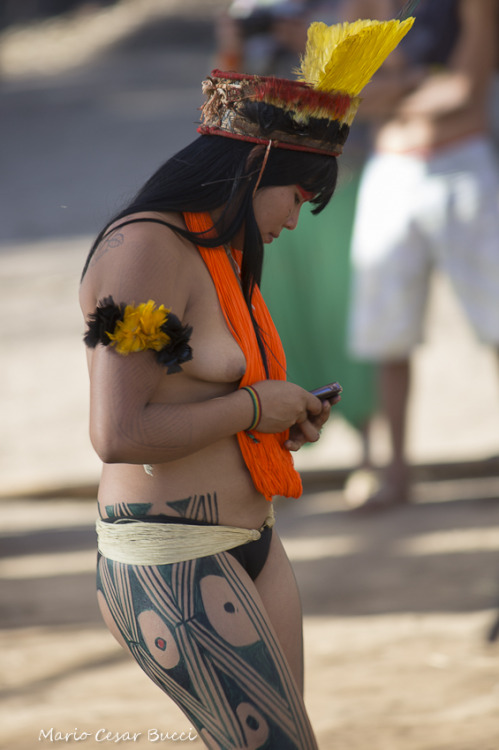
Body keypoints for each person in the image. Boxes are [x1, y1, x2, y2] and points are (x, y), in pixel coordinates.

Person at [79, 14, 414, 748]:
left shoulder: (221, 252)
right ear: (258, 171)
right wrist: (254, 405)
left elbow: (208, 401)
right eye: (297, 198)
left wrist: (274, 415)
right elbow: (118, 434)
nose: (297, 220)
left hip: (251, 540)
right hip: (171, 558)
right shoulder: (145, 248)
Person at [343, 0, 499, 510]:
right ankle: (396, 469)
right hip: (392, 168)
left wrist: (390, 91)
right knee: (385, 333)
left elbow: (465, 89)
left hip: (462, 163)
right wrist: (417, 86)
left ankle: (396, 470)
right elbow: (347, 90)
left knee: (496, 321)